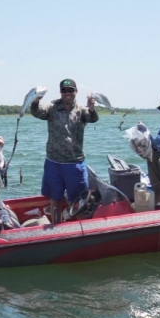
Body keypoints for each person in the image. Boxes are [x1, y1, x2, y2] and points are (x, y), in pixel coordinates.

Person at [30, 78, 98, 223]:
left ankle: (79, 227)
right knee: (55, 198)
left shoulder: (81, 110)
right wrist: (36, 100)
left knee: (79, 200)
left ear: (76, 92)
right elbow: (36, 112)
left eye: (70, 90)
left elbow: (93, 118)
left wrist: (92, 108)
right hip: (53, 162)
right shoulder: (52, 107)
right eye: (64, 90)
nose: (67, 93)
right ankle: (56, 226)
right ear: (60, 92)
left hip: (75, 163)